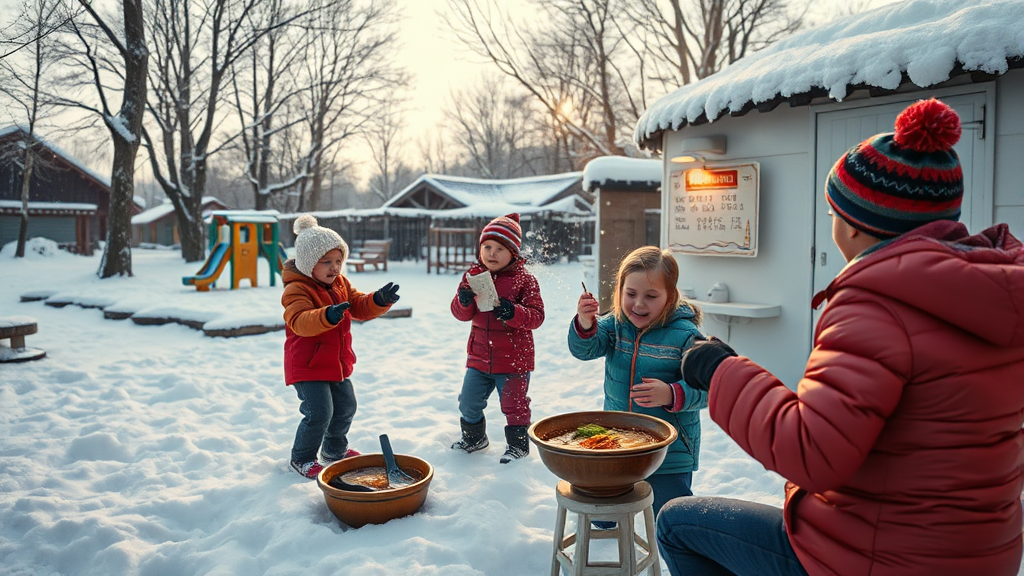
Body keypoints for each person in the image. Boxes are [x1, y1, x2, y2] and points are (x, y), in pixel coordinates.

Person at [659, 98, 1024, 576]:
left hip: (873, 558)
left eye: (834, 211)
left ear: (854, 226)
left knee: (677, 524)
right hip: (975, 554)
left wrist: (721, 369)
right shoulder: (996, 294)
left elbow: (812, 452)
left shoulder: (878, 304)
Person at [568, 246, 707, 518]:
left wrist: (671, 393)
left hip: (669, 454)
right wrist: (585, 323)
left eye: (651, 296)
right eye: (630, 294)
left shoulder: (686, 336)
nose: (639, 304)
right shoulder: (614, 325)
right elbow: (584, 350)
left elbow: (708, 388)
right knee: (606, 516)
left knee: (668, 517)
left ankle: (672, 555)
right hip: (620, 445)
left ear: (671, 297)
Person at [282, 214, 401, 479]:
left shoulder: (340, 284)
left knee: (346, 406)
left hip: (336, 363)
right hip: (308, 365)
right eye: (327, 262)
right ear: (308, 263)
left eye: (338, 261)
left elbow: (358, 305)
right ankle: (301, 457)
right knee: (319, 413)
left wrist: (379, 300)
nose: (335, 267)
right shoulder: (296, 290)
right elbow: (300, 321)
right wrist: (327, 315)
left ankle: (334, 449)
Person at [450, 213, 545, 464]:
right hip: (479, 357)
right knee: (468, 402)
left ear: (513, 253)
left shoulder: (525, 280)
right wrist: (463, 300)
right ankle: (474, 439)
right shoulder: (473, 277)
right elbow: (460, 314)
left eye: (500, 249)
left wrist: (513, 312)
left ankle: (518, 447)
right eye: (487, 247)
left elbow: (536, 316)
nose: (491, 253)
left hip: (514, 360)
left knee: (515, 407)